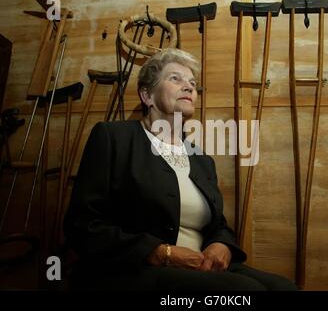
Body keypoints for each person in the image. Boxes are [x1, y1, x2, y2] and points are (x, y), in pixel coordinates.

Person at [63, 48, 297, 291]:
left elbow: (219, 225)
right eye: (175, 78)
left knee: (285, 289)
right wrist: (160, 252)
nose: (188, 87)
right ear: (147, 96)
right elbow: (82, 224)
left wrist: (222, 245)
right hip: (134, 271)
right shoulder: (114, 138)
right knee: (247, 292)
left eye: (192, 83)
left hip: (202, 268)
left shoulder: (202, 159)